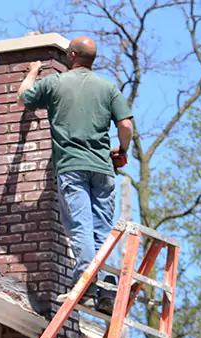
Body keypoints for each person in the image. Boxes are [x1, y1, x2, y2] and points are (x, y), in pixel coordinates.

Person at [17, 36, 133, 315]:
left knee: (80, 227)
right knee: (103, 231)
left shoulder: (56, 83)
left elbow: (24, 98)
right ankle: (107, 289)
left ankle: (85, 288)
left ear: (71, 55)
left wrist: (33, 70)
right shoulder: (108, 88)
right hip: (104, 169)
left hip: (72, 166)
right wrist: (123, 150)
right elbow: (126, 125)